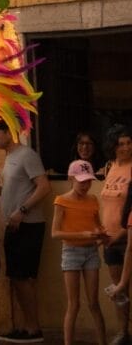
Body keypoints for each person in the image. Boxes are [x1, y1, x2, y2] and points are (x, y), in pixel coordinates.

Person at [0, 119, 51, 343]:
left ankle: (33, 328)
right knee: (16, 277)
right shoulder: (10, 158)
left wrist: (22, 211)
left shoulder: (27, 155)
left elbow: (44, 187)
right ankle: (27, 326)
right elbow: (16, 191)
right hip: (14, 225)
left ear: (7, 132)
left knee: (24, 277)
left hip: (28, 225)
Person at [53, 159, 108, 345]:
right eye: (81, 181)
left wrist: (101, 233)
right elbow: (55, 233)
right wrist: (82, 234)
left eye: (88, 181)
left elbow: (97, 224)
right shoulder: (62, 201)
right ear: (71, 178)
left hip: (91, 251)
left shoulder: (93, 200)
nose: (85, 185)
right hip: (71, 251)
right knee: (74, 304)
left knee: (94, 302)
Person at [101, 127, 132, 344]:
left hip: (127, 236)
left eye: (129, 143)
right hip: (109, 238)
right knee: (118, 289)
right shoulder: (109, 168)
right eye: (121, 144)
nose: (126, 147)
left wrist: (121, 234)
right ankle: (123, 331)